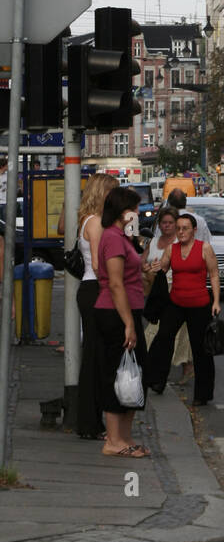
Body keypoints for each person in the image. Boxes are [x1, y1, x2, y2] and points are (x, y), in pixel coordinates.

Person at [93, 186, 150, 458]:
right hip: (116, 313)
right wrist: (128, 323)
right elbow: (115, 284)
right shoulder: (113, 238)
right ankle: (113, 440)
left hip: (128, 311)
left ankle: (124, 438)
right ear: (122, 211)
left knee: (133, 374)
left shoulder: (123, 237)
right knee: (119, 374)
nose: (138, 213)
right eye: (134, 209)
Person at [147, 213, 221, 407]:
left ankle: (202, 394)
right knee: (163, 338)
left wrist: (216, 302)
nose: (181, 232)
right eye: (178, 228)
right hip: (176, 303)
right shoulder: (172, 249)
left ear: (194, 230)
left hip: (199, 304)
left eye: (185, 228)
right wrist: (154, 267)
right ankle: (156, 381)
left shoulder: (204, 248)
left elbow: (213, 275)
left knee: (200, 349)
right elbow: (162, 268)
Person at [74, 172, 116, 440]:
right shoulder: (97, 223)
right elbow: (102, 265)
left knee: (93, 355)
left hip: (88, 289)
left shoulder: (85, 220)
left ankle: (91, 419)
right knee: (96, 358)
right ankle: (90, 421)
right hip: (97, 289)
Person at [143, 206, 194, 381]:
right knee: (155, 330)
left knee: (178, 332)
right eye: (163, 222)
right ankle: (153, 370)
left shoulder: (180, 243)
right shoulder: (154, 241)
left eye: (170, 223)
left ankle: (185, 367)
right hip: (157, 290)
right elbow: (142, 262)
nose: (166, 226)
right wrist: (146, 268)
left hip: (175, 289)